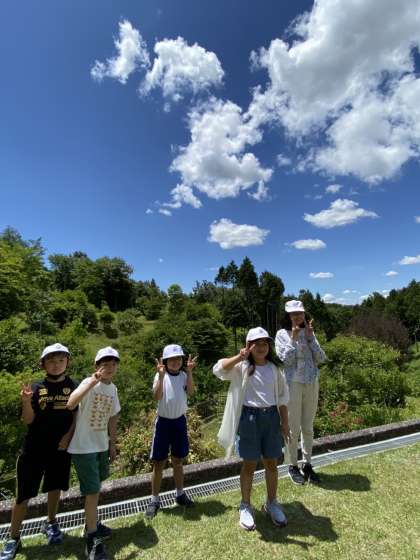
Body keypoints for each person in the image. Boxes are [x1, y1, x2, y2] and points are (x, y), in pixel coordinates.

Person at [0, 343, 77, 560]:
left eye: (61, 360)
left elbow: (76, 416)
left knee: (55, 487)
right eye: (51, 361)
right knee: (23, 494)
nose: (56, 364)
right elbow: (28, 420)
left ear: (68, 362)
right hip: (33, 449)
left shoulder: (74, 386)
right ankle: (13, 537)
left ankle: (51, 523)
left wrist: (68, 437)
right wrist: (26, 401)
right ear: (43, 364)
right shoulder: (35, 388)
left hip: (60, 448)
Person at [213, 327, 290, 531]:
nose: (262, 348)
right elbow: (218, 369)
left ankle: (272, 502)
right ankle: (245, 505)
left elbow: (283, 397)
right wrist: (239, 357)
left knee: (272, 463)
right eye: (257, 344)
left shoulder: (275, 369)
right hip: (248, 418)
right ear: (249, 346)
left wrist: (285, 422)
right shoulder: (242, 367)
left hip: (271, 417)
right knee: (249, 464)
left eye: (265, 344)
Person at [67, 347, 121, 560]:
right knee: (92, 491)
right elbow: (71, 403)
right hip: (83, 447)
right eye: (105, 364)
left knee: (95, 488)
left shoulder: (113, 389)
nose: (109, 368)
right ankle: (91, 538)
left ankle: (91, 523)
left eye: (113, 364)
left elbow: (113, 417)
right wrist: (91, 382)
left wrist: (113, 444)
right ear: (96, 366)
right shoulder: (88, 382)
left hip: (101, 445)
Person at [275, 300, 326, 485]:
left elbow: (321, 358)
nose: (297, 316)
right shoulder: (282, 334)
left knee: (308, 426)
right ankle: (292, 465)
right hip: (292, 384)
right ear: (288, 316)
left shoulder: (309, 332)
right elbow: (286, 360)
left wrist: (311, 338)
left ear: (304, 314)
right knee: (292, 427)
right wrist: (293, 339)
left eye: (300, 313)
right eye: (293, 313)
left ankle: (308, 463)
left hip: (311, 382)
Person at [145, 344, 196, 519]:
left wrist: (190, 372)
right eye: (171, 359)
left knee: (178, 461)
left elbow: (191, 392)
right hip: (163, 423)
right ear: (165, 361)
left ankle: (180, 494)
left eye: (178, 359)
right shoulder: (161, 376)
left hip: (179, 422)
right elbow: (156, 396)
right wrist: (160, 376)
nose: (175, 362)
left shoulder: (183, 376)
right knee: (159, 463)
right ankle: (154, 500)